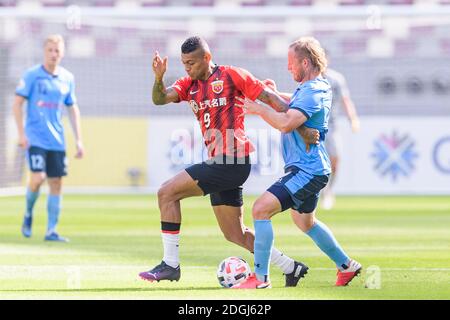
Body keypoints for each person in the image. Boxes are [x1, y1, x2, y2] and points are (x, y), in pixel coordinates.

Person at [138, 36, 319, 287]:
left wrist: (303, 129)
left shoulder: (233, 76)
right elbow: (159, 99)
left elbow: (274, 101)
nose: (187, 68)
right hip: (219, 162)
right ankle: (290, 267)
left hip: (233, 161)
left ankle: (170, 265)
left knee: (166, 193)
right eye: (184, 63)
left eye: (191, 62)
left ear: (207, 58)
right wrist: (158, 78)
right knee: (234, 233)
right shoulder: (187, 84)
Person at [233, 37, 361, 289]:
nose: (288, 68)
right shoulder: (312, 86)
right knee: (305, 222)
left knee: (260, 209)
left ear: (305, 61)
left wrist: (258, 108)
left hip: (308, 170)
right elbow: (293, 101)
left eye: (291, 63)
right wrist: (273, 94)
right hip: (311, 168)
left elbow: (286, 122)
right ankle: (346, 265)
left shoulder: (313, 90)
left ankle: (260, 279)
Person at [13, 34, 84, 242]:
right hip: (35, 138)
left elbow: (73, 109)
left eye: (57, 51)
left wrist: (79, 140)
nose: (54, 54)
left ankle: (51, 231)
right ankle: (28, 213)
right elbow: (17, 104)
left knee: (56, 183)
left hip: (57, 140)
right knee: (37, 178)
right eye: (50, 50)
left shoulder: (67, 78)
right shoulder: (32, 75)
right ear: (44, 52)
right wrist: (21, 134)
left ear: (62, 53)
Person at [320, 60, 360, 210]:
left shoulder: (336, 79)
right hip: (313, 127)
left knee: (335, 161)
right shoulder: (310, 80)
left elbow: (346, 100)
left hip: (331, 126)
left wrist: (353, 118)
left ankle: (328, 190)